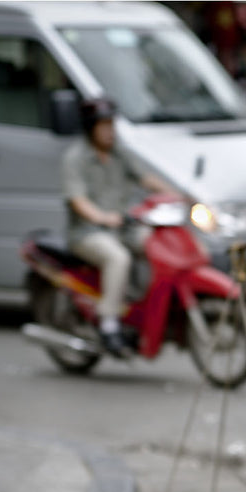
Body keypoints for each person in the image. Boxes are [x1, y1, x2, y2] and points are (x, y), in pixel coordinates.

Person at [61, 97, 175, 356]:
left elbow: (147, 179)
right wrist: (102, 217)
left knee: (155, 245)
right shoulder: (75, 158)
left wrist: (177, 196)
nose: (110, 131)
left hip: (123, 228)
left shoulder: (119, 153)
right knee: (118, 258)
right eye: (104, 126)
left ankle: (144, 307)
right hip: (88, 233)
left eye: (112, 125)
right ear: (91, 128)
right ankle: (109, 322)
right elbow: (77, 200)